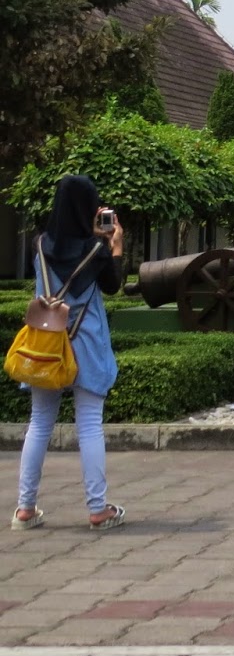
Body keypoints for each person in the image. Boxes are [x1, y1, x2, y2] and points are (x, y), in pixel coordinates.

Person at [14, 175, 126, 531]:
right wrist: (115, 245)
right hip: (86, 342)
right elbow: (112, 286)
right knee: (90, 424)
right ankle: (97, 509)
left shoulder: (39, 245)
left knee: (39, 423)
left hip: (47, 343)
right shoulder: (95, 250)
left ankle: (24, 509)